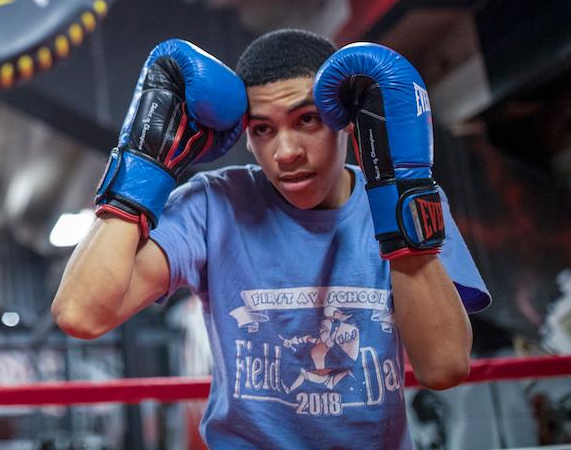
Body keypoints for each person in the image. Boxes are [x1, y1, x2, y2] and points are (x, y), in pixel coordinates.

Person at [52, 29, 489, 449]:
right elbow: (81, 314)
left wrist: (397, 194)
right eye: (263, 129)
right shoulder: (214, 206)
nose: (285, 152)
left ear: (348, 123)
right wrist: (143, 167)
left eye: (307, 119)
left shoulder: (409, 206)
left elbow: (444, 366)